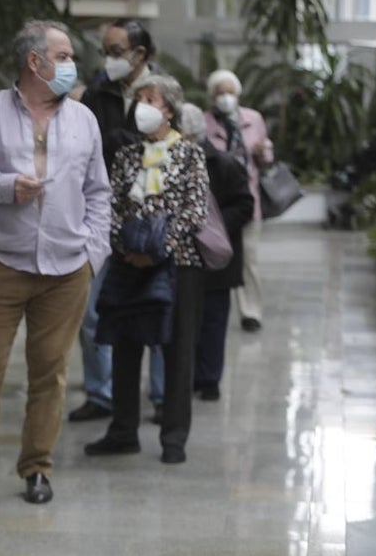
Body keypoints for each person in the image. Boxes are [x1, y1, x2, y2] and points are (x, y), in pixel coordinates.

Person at [0, 20, 112, 509]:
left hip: (67, 269)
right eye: (65, 54)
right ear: (36, 62)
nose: (73, 63)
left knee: (49, 374)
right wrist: (5, 186)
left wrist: (94, 254)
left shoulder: (84, 119)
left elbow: (98, 191)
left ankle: (37, 468)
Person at [85, 74, 208, 464]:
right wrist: (127, 247)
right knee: (125, 345)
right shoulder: (126, 155)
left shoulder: (190, 155)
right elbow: (111, 207)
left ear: (169, 109)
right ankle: (123, 431)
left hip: (177, 264)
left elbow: (194, 211)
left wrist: (159, 250)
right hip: (128, 263)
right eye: (138, 99)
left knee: (176, 348)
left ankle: (174, 437)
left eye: (150, 99)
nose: (141, 106)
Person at [72, 19, 165, 423]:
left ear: (140, 54)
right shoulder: (98, 92)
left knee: (158, 303)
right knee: (89, 310)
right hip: (100, 216)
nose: (109, 59)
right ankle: (101, 393)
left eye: (116, 51)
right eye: (106, 51)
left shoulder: (165, 95)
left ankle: (161, 395)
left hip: (153, 218)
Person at [179, 104, 254, 401]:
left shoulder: (223, 164)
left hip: (217, 260)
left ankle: (209, 379)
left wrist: (214, 227)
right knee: (185, 322)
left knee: (212, 319)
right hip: (183, 257)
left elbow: (245, 205)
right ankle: (186, 375)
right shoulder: (172, 162)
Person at [204, 69, 274, 332]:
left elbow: (267, 156)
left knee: (249, 259)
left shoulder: (253, 119)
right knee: (218, 255)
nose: (225, 97)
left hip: (248, 201)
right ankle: (214, 303)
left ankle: (251, 311)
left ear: (238, 94)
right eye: (220, 92)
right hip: (217, 206)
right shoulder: (205, 121)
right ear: (212, 96)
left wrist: (263, 151)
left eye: (229, 92)